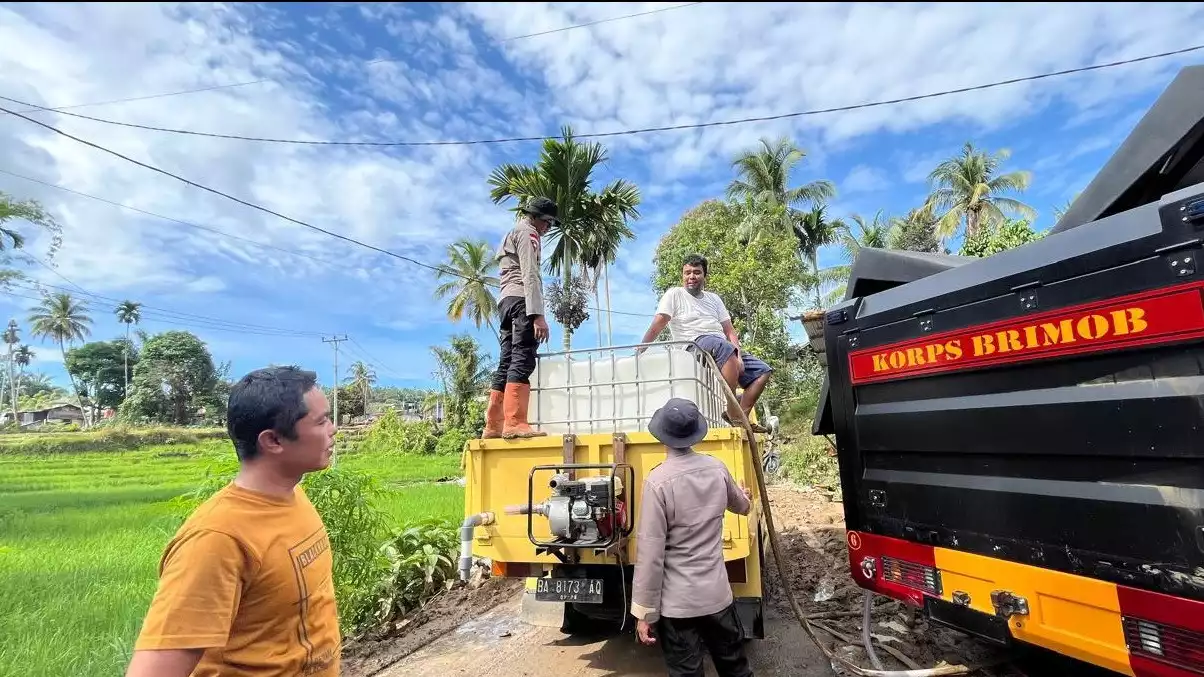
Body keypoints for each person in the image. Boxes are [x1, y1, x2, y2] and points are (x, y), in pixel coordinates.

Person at [125, 366, 340, 677]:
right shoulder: (217, 539)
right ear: (273, 441)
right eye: (321, 421)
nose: (333, 429)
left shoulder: (294, 497)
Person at [630, 397, 754, 677]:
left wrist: (644, 613)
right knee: (735, 668)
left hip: (678, 607)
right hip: (717, 598)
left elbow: (650, 555)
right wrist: (746, 498)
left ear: (662, 434)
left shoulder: (657, 482)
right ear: (695, 433)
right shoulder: (717, 468)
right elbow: (741, 506)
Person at [639, 254, 772, 433]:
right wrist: (642, 348)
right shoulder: (674, 294)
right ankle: (734, 411)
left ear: (704, 276)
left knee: (762, 371)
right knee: (724, 347)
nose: (691, 277)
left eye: (696, 272)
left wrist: (739, 356)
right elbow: (659, 322)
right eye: (687, 273)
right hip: (693, 344)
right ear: (682, 276)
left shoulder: (714, 299)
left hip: (722, 346)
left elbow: (729, 331)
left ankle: (741, 415)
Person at [483, 196, 557, 439]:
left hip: (505, 301)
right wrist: (538, 315)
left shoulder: (510, 233)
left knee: (506, 360)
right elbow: (530, 273)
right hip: (522, 301)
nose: (547, 228)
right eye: (547, 222)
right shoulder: (529, 233)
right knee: (523, 358)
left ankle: (494, 425)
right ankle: (515, 421)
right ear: (537, 218)